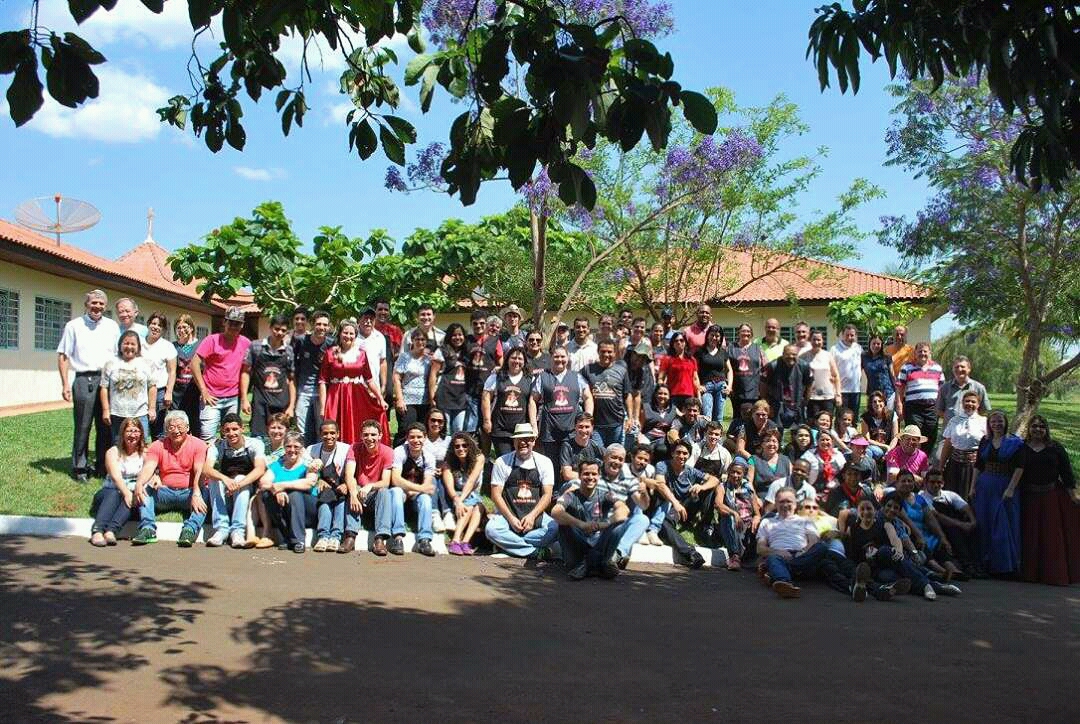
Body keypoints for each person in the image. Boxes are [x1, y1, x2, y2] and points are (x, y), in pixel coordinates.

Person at [757, 487, 875, 601]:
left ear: (795, 504)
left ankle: (857, 587)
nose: (785, 505)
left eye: (789, 501)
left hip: (805, 557)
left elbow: (813, 540)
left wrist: (803, 552)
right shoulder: (767, 522)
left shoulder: (804, 521)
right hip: (779, 557)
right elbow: (760, 548)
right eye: (781, 501)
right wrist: (778, 552)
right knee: (773, 558)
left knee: (823, 550)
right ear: (776, 503)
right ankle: (785, 585)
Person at [1008, 415, 1080, 586]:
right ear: (1029, 428)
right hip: (1028, 498)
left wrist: (1073, 496)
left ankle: (1053, 574)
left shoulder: (1055, 448)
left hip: (1051, 497)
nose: (1037, 429)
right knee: (1030, 536)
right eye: (1034, 426)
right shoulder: (1021, 448)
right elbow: (1014, 471)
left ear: (1046, 429)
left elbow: (1067, 474)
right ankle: (1030, 574)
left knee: (1052, 537)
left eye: (1041, 426)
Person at [57, 289, 121, 482]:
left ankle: (102, 466)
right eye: (94, 303)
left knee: (105, 425)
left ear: (105, 306)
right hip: (84, 379)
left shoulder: (112, 326)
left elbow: (118, 354)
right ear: (86, 304)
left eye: (101, 303)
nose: (97, 306)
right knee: (83, 426)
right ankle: (80, 468)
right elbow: (63, 355)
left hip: (107, 380)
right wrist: (65, 384)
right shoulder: (74, 326)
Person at [131, 410, 208, 547]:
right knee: (145, 490)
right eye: (171, 427)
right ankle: (148, 529)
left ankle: (189, 530)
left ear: (187, 428)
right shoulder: (157, 445)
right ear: (166, 430)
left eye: (180, 427)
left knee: (205, 493)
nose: (176, 431)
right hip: (164, 492)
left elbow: (199, 470)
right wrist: (139, 483)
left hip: (189, 492)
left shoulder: (199, 445)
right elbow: (149, 466)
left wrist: (196, 492)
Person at [484, 423, 560, 559]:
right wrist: (511, 519)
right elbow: (496, 495)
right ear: (514, 441)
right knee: (492, 529)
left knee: (555, 528)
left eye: (527, 439)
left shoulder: (544, 462)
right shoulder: (502, 462)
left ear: (533, 441)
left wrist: (532, 516)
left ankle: (510, 546)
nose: (523, 443)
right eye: (519, 439)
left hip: (535, 515)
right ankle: (536, 552)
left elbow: (547, 495)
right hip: (508, 515)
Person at [845, 497, 942, 601]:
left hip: (887, 560)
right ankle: (934, 586)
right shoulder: (853, 529)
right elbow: (852, 554)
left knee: (884, 550)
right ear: (857, 511)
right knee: (890, 577)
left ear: (875, 510)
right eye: (862, 509)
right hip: (873, 569)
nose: (866, 512)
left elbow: (895, 539)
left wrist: (898, 550)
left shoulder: (885, 524)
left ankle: (926, 585)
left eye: (869, 508)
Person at [551, 459, 631, 579]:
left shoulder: (606, 494)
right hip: (578, 548)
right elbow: (555, 511)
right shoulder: (570, 495)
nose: (590, 477)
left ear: (599, 476)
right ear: (579, 475)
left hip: (598, 543)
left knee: (619, 524)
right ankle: (600, 565)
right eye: (586, 473)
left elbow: (624, 509)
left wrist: (605, 523)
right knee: (563, 524)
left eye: (594, 474)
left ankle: (587, 566)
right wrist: (581, 524)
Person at [202, 412, 267, 549]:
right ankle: (221, 530)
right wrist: (225, 479)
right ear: (222, 431)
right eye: (227, 430)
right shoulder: (218, 446)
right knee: (214, 480)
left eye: (235, 429)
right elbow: (206, 469)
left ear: (242, 429)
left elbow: (260, 469)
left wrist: (238, 484)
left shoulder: (255, 444)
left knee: (240, 478)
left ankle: (238, 531)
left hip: (246, 491)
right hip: (226, 492)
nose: (231, 433)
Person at [321, 319, 390, 446]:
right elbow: (323, 381)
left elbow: (369, 379)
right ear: (340, 334)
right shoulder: (330, 353)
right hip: (336, 396)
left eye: (351, 333)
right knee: (333, 427)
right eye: (345, 333)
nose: (348, 336)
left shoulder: (362, 354)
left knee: (358, 424)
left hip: (357, 396)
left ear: (355, 335)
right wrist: (322, 407)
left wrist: (380, 399)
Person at [971, 410, 1023, 576]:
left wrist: (1011, 488)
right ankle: (985, 563)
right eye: (993, 421)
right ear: (989, 424)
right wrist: (972, 487)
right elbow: (978, 465)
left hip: (1004, 486)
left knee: (1002, 525)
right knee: (984, 522)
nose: (996, 424)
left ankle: (1004, 566)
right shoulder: (985, 441)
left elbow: (1019, 468)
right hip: (985, 486)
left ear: (1005, 422)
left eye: (1000, 421)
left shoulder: (1015, 443)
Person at [653, 439, 717, 569]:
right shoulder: (662, 465)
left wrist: (701, 487)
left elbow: (715, 480)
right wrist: (675, 503)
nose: (681, 456)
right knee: (664, 524)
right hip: (669, 508)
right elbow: (660, 484)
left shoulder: (690, 471)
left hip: (687, 506)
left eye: (685, 453)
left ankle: (704, 526)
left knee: (710, 489)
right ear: (672, 453)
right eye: (678, 452)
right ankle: (691, 553)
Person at [191, 307, 251, 442]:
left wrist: (244, 398)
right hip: (212, 398)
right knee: (208, 437)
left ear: (242, 325)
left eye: (237, 323)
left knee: (231, 437)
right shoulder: (212, 340)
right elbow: (194, 363)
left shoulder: (246, 343)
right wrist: (203, 391)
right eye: (231, 322)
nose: (234, 327)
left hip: (233, 398)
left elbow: (246, 371)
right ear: (225, 322)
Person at [90, 417, 151, 546]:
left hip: (131, 497)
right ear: (122, 433)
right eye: (129, 431)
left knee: (134, 495)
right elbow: (116, 477)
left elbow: (150, 471)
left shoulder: (146, 453)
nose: (132, 435)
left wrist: (155, 477)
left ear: (141, 433)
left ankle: (111, 531)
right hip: (108, 494)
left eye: (136, 431)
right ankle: (97, 531)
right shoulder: (113, 452)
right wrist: (126, 492)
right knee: (115, 492)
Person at [343, 419, 397, 555]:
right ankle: (350, 536)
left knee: (384, 492)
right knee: (351, 487)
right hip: (359, 492)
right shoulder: (354, 448)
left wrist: (370, 485)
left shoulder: (388, 452)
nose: (369, 438)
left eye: (373, 435)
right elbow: (349, 475)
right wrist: (353, 494)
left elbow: (385, 481)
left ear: (380, 436)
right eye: (366, 435)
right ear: (361, 436)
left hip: (375, 495)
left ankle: (380, 539)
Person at [260, 431, 320, 553]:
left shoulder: (308, 464)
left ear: (301, 448)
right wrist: (276, 491)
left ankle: (299, 541)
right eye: (288, 446)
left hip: (308, 510)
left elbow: (309, 483)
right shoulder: (277, 465)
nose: (292, 450)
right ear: (284, 447)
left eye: (296, 446)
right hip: (287, 509)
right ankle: (286, 537)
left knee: (294, 494)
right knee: (266, 494)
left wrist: (283, 486)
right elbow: (263, 482)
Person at [531, 346, 593, 462]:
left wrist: (587, 418)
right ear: (551, 358)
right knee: (552, 466)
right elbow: (532, 400)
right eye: (556, 356)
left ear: (567, 358)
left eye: (562, 356)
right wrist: (534, 425)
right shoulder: (542, 376)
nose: (560, 359)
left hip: (572, 432)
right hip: (550, 432)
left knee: (571, 465)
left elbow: (588, 397)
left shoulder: (577, 377)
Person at [240, 314, 296, 437]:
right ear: (270, 328)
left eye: (283, 330)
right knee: (258, 437)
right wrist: (244, 399)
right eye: (276, 329)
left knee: (279, 436)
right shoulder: (255, 346)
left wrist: (291, 406)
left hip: (281, 402)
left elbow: (291, 380)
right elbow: (245, 372)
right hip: (260, 402)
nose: (279, 333)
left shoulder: (289, 351)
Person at [388, 424, 438, 557]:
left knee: (426, 499)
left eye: (419, 437)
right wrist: (419, 488)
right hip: (401, 494)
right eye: (412, 437)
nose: (416, 440)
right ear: (407, 438)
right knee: (396, 492)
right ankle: (398, 538)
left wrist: (416, 490)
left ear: (425, 438)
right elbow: (395, 480)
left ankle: (424, 540)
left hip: (416, 495)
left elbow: (427, 484)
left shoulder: (429, 457)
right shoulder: (399, 451)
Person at [921, 468, 979, 578]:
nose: (936, 485)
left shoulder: (949, 494)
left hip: (955, 525)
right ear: (926, 483)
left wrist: (972, 522)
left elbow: (965, 507)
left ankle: (975, 563)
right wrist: (961, 525)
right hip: (937, 528)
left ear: (943, 483)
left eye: (939, 482)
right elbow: (936, 515)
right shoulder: (922, 497)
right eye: (932, 482)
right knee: (953, 529)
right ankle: (966, 564)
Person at [100, 330, 155, 442]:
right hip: (117, 414)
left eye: (133, 344)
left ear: (138, 347)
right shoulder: (110, 363)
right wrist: (106, 410)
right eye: (126, 343)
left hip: (140, 414)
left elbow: (152, 386)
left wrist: (152, 408)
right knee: (118, 445)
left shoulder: (146, 363)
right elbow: (104, 387)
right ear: (120, 345)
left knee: (141, 444)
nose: (129, 347)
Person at [306, 419, 352, 552]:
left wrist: (346, 484)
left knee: (341, 498)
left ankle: (336, 536)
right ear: (320, 434)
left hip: (341, 484)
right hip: (322, 487)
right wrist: (318, 479)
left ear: (338, 434)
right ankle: (323, 536)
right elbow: (307, 470)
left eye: (332, 433)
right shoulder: (312, 449)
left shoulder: (346, 449)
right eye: (325, 433)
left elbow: (352, 470)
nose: (329, 436)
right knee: (325, 497)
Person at [483, 346, 537, 457]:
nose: (516, 361)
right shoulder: (497, 376)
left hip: (521, 431)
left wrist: (533, 425)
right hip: (500, 430)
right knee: (505, 460)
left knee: (521, 460)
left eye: (520, 359)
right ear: (507, 359)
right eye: (513, 358)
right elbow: (486, 397)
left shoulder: (530, 379)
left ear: (524, 362)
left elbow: (532, 402)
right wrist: (487, 420)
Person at [293, 310, 334, 444]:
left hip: (322, 393)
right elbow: (293, 366)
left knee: (320, 428)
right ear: (312, 325)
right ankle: (302, 453)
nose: (322, 327)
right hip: (303, 391)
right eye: (318, 324)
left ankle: (318, 453)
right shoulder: (301, 341)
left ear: (328, 327)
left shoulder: (331, 344)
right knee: (301, 427)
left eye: (325, 325)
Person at [582, 340, 633, 447]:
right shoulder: (587, 370)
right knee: (597, 454)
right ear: (598, 352)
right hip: (596, 424)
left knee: (614, 453)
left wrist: (630, 417)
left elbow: (627, 395)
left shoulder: (622, 370)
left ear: (615, 353)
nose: (606, 354)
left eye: (609, 352)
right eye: (603, 351)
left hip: (616, 423)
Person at [895, 342, 944, 452]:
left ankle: (924, 459)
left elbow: (942, 389)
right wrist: (899, 404)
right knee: (913, 436)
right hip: (913, 409)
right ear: (915, 353)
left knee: (931, 436)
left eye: (925, 351)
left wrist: (942, 406)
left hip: (932, 409)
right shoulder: (906, 367)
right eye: (920, 351)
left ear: (930, 353)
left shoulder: (937, 368)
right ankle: (912, 459)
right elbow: (899, 388)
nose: (922, 353)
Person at [443, 433, 486, 555]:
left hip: (472, 493)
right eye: (457, 446)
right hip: (457, 494)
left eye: (464, 445)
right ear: (453, 449)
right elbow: (450, 487)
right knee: (470, 505)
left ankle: (465, 541)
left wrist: (461, 500)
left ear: (470, 446)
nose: (461, 448)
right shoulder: (448, 464)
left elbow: (471, 481)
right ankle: (455, 541)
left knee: (479, 507)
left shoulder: (479, 458)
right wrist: (458, 500)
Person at [939, 390, 987, 498]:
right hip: (954, 465)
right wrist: (941, 467)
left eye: (973, 402)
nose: (970, 404)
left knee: (972, 496)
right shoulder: (954, 421)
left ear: (978, 404)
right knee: (954, 495)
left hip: (975, 466)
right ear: (962, 403)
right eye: (967, 401)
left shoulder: (984, 421)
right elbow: (948, 445)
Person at [715, 460, 761, 570]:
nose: (735, 475)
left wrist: (756, 518)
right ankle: (734, 556)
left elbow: (757, 512)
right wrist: (734, 513)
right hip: (730, 525)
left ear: (743, 474)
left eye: (738, 473)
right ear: (729, 472)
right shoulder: (722, 486)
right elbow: (718, 504)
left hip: (747, 524)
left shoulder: (748, 488)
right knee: (729, 518)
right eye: (733, 472)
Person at [393, 329, 433, 445]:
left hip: (425, 401)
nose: (420, 342)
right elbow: (396, 378)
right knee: (405, 430)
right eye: (417, 339)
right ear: (412, 341)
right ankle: (398, 454)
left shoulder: (429, 360)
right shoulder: (404, 357)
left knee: (422, 432)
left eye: (423, 339)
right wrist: (400, 399)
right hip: (407, 401)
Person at [429, 323, 471, 434]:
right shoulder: (441, 351)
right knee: (445, 429)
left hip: (461, 398)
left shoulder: (467, 352)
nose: (457, 338)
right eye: (454, 335)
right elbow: (433, 374)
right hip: (445, 396)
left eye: (460, 335)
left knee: (458, 429)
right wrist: (432, 396)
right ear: (449, 336)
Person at [760, 343, 812, 432]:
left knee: (798, 433)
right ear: (783, 354)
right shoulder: (772, 366)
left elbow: (809, 384)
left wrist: (805, 401)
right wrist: (767, 404)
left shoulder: (804, 366)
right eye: (788, 354)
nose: (791, 357)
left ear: (798, 355)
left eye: (794, 354)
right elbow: (763, 385)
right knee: (776, 433)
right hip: (777, 407)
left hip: (797, 406)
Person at [142, 313, 177, 440]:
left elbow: (172, 371)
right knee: (140, 428)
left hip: (159, 392)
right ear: (148, 325)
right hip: (140, 391)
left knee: (158, 430)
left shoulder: (167, 346)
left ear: (164, 329)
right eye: (153, 323)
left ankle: (158, 452)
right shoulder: (139, 342)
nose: (156, 327)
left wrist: (169, 392)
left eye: (160, 325)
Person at [171, 314, 202, 440]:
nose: (182, 330)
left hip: (195, 391)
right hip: (177, 393)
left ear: (191, 328)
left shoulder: (200, 345)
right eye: (178, 327)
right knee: (178, 424)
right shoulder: (173, 346)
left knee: (195, 424)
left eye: (185, 327)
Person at [936, 355, 991, 426]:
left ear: (969, 369)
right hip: (950, 429)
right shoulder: (944, 388)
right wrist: (953, 420)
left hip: (972, 428)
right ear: (953, 369)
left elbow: (984, 410)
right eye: (956, 367)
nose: (959, 369)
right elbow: (939, 410)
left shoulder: (979, 388)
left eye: (962, 367)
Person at [423, 409, 454, 534]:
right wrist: (429, 469)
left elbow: (452, 459)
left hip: (444, 472)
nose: (436, 424)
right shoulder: (421, 438)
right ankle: (435, 514)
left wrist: (444, 468)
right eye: (433, 420)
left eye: (440, 421)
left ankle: (447, 514)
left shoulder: (448, 440)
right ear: (427, 421)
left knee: (443, 479)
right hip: (424, 473)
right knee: (432, 478)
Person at [694, 324, 731, 423]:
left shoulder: (723, 352)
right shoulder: (700, 352)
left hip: (721, 387)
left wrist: (729, 386)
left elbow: (729, 370)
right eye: (712, 335)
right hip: (706, 387)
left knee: (718, 418)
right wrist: (698, 386)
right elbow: (694, 371)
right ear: (708, 336)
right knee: (707, 417)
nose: (714, 338)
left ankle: (717, 433)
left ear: (720, 338)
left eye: (717, 336)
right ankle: (706, 433)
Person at [727, 324, 766, 414]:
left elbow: (765, 367)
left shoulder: (758, 348)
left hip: (754, 390)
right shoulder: (730, 348)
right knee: (737, 416)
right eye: (743, 331)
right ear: (738, 333)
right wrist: (728, 385)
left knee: (753, 415)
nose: (746, 333)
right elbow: (726, 368)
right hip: (736, 390)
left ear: (751, 334)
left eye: (748, 331)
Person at [804, 329, 842, 420]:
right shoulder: (804, 357)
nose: (816, 342)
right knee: (813, 423)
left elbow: (836, 376)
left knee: (827, 423)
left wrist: (838, 395)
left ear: (822, 341)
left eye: (819, 340)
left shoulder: (828, 355)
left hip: (828, 397)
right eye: (814, 339)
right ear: (810, 340)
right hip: (812, 397)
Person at [559, 413, 606, 483]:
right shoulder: (567, 446)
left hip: (593, 482)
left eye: (587, 427)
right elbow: (567, 475)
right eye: (580, 427)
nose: (584, 430)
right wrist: (590, 477)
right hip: (574, 483)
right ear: (575, 427)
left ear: (592, 428)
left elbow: (610, 460)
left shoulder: (596, 446)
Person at [658, 331, 700, 410]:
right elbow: (660, 378)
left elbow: (695, 379)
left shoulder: (692, 360)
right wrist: (662, 392)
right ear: (672, 344)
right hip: (673, 395)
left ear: (685, 343)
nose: (679, 342)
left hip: (689, 395)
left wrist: (699, 397)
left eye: (681, 340)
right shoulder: (667, 359)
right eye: (676, 341)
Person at [746, 430, 791, 499]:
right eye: (768, 441)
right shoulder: (753, 459)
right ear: (762, 444)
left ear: (778, 444)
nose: (771, 444)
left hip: (783, 499)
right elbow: (749, 483)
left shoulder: (786, 460)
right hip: (762, 499)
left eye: (774, 441)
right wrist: (755, 499)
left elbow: (792, 482)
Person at [831, 324, 864, 416]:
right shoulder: (835, 349)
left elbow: (861, 365)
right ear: (842, 335)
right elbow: (831, 370)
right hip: (841, 391)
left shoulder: (858, 348)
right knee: (841, 418)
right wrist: (835, 391)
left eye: (852, 335)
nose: (849, 337)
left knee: (854, 418)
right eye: (847, 335)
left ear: (856, 336)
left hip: (855, 390)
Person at [639, 383, 678, 460]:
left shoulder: (673, 409)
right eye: (660, 393)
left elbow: (683, 415)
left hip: (662, 440)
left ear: (669, 396)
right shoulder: (646, 407)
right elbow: (640, 427)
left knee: (662, 449)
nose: (662, 396)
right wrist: (640, 437)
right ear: (655, 394)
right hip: (647, 438)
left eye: (665, 394)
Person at [860, 390, 898, 460]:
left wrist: (889, 450)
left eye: (880, 401)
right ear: (871, 404)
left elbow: (895, 437)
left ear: (884, 402)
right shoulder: (865, 418)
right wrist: (885, 446)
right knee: (869, 451)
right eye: (874, 402)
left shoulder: (892, 415)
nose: (877, 404)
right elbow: (867, 440)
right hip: (874, 447)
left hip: (891, 447)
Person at [862, 334, 897, 410]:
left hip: (888, 392)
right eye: (873, 343)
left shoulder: (887, 357)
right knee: (873, 415)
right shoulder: (864, 357)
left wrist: (897, 392)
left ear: (881, 345)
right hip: (872, 393)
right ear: (869, 344)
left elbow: (892, 375)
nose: (876, 346)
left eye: (878, 344)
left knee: (888, 415)